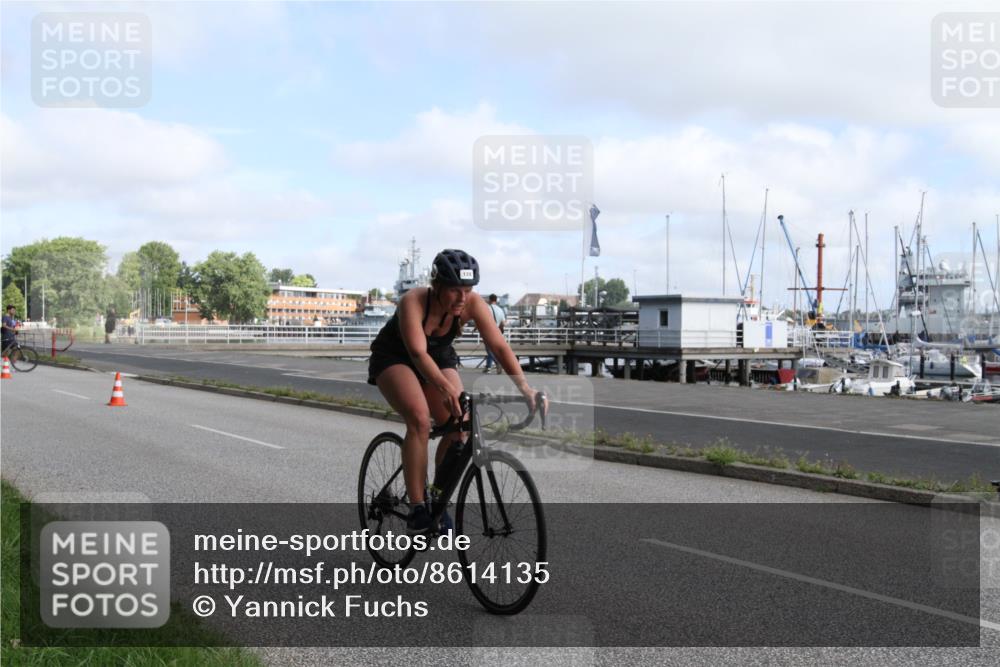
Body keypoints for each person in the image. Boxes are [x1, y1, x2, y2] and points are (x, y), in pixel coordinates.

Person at [367, 249, 547, 534]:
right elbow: (416, 352)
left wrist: (524, 387)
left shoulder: (471, 304)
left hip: (438, 355)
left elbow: (499, 346)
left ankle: (437, 496)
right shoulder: (412, 301)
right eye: (454, 290)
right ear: (436, 286)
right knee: (420, 420)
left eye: (468, 289)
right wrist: (444, 386)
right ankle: (417, 510)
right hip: (396, 357)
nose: (462, 298)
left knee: (459, 426)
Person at [483, 293, 506, 374]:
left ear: (489, 299)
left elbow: (483, 320)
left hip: (488, 332)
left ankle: (497, 362)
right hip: (497, 333)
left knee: (489, 350)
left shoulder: (487, 308)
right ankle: (488, 367)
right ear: (496, 300)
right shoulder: (500, 310)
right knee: (492, 350)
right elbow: (503, 323)